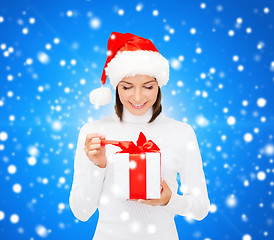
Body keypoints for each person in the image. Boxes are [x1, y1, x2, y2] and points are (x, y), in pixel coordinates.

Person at [69, 32, 210, 240]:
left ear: (159, 85)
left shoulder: (182, 132)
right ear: (116, 87)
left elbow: (201, 209)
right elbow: (81, 212)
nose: (137, 97)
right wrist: (99, 166)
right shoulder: (94, 133)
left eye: (148, 87)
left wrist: (169, 200)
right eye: (127, 87)